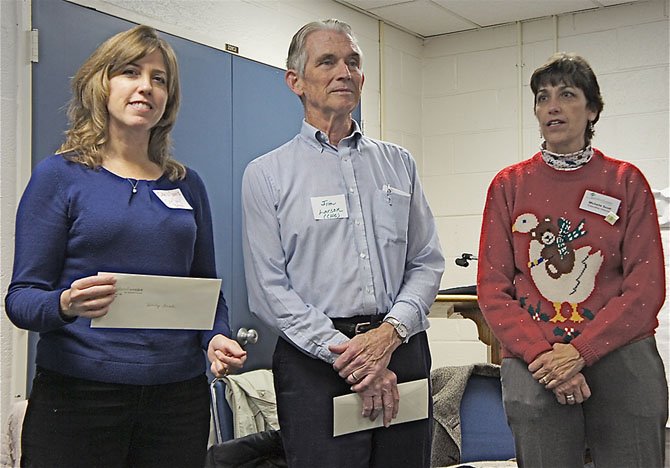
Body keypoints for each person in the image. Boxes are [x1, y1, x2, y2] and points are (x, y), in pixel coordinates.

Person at [5, 25, 247, 468]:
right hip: (79, 396)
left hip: (177, 399)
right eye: (131, 72)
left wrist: (215, 338)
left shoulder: (187, 185)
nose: (146, 87)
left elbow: (207, 290)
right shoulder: (60, 176)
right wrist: (66, 303)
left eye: (159, 78)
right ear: (102, 83)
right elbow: (21, 300)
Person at [241, 19, 444, 468]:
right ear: (295, 80)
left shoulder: (398, 165)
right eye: (328, 61)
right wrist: (353, 358)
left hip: (401, 349)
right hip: (315, 361)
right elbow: (268, 290)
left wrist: (388, 337)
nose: (344, 72)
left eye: (353, 62)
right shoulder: (267, 175)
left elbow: (427, 261)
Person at [477, 52, 668, 467]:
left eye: (567, 94)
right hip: (535, 360)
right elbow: (493, 288)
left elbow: (646, 287)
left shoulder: (625, 181)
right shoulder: (508, 186)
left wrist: (580, 352)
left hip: (621, 353)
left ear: (592, 109)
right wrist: (547, 358)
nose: (553, 107)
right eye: (543, 98)